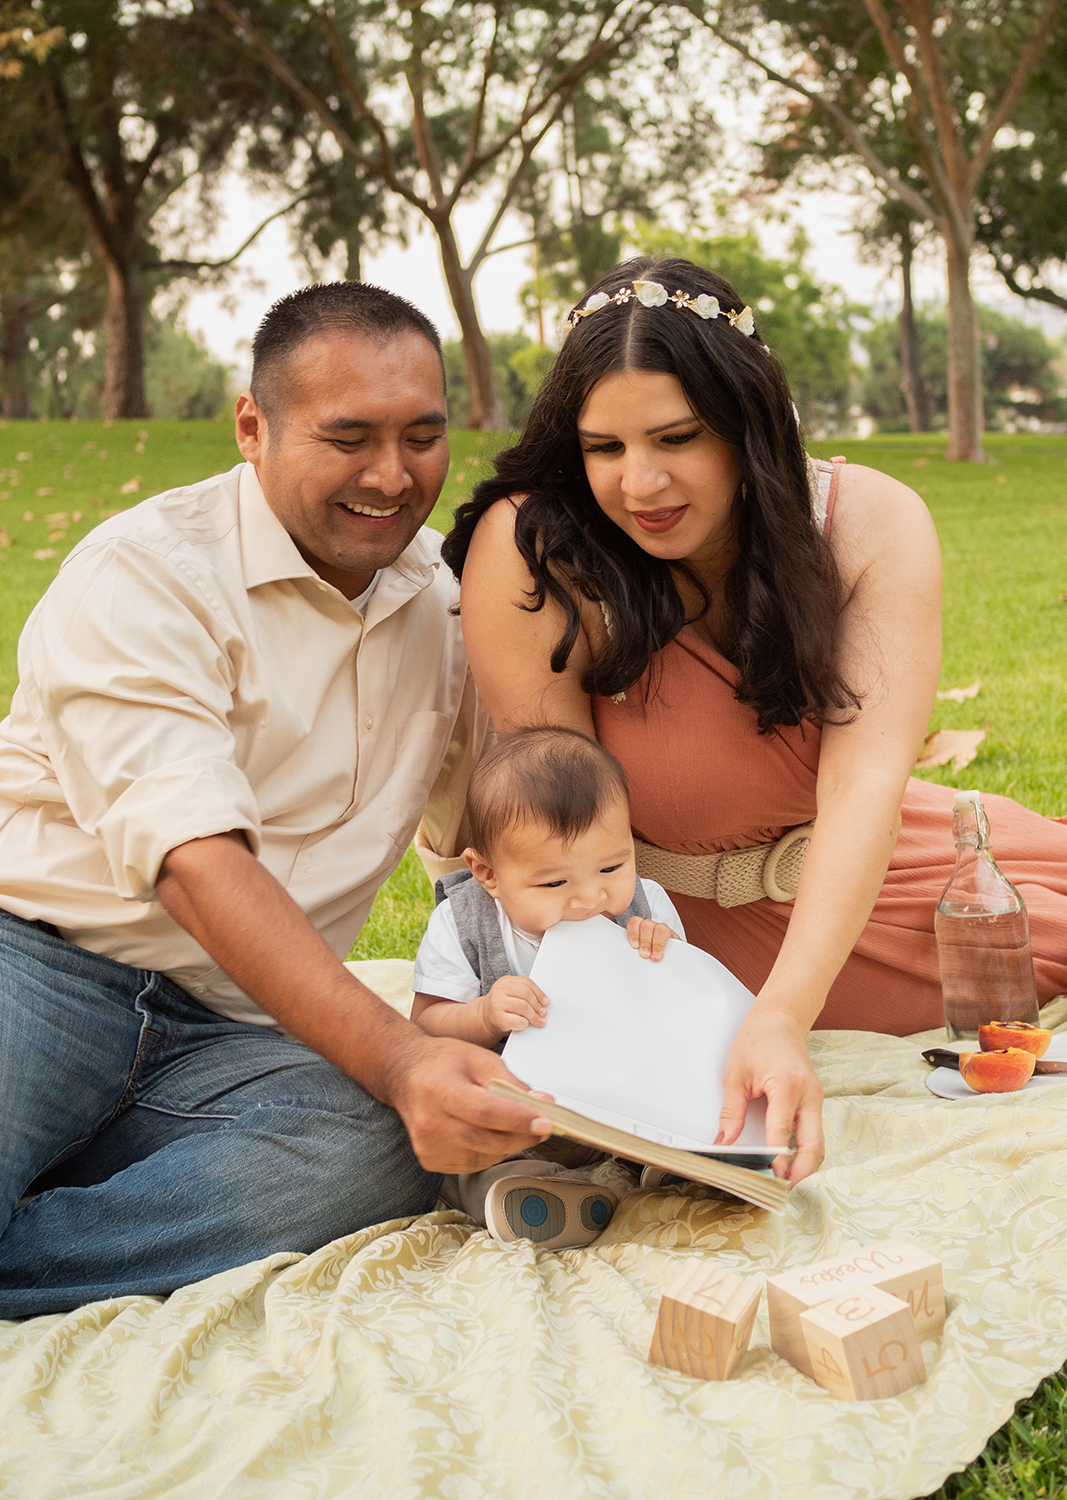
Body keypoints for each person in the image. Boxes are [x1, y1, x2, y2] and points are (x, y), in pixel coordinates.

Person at [0, 281, 551, 1324]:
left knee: (384, 1142)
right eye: (348, 437)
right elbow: (195, 862)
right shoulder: (145, 573)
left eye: (422, 437)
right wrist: (398, 1055)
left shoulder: (451, 606)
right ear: (251, 427)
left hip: (236, 1030)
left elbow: (499, 833)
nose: (392, 475)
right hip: (21, 962)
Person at [438, 256, 1067, 1188]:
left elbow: (863, 788)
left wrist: (781, 1014)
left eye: (676, 437)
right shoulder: (535, 550)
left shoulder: (870, 523)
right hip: (660, 932)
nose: (640, 482)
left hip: (881, 879)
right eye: (603, 448)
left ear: (746, 420)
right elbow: (554, 824)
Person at [412, 726, 683, 1249]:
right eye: (555, 882)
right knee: (459, 1137)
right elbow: (424, 1027)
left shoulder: (644, 906)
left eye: (612, 866)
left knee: (685, 1093)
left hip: (621, 1101)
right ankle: (535, 1195)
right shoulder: (463, 922)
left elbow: (679, 1017)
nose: (590, 898)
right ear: (487, 873)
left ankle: (672, 1164)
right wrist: (484, 1015)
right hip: (519, 1116)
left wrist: (664, 960)